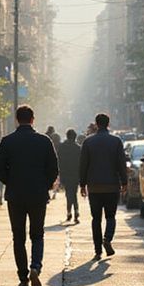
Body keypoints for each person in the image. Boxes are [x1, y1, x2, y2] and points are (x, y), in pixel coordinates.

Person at [0, 105, 59, 286]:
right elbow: (53, 168)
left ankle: (23, 278)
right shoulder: (44, 141)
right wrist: (45, 185)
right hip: (38, 195)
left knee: (18, 237)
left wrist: (10, 181)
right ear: (33, 119)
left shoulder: (7, 141)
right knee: (37, 234)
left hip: (15, 195)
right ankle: (35, 267)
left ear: (16, 119)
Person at [79, 112, 127, 261]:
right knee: (111, 216)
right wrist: (124, 182)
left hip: (94, 186)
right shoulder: (116, 141)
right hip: (112, 185)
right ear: (108, 124)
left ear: (96, 124)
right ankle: (108, 239)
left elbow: (83, 165)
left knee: (96, 219)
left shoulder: (88, 142)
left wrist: (82, 184)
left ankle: (98, 250)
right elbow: (121, 164)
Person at [57, 129, 83, 223]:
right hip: (75, 174)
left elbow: (59, 161)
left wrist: (59, 174)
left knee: (69, 194)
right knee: (73, 193)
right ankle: (75, 211)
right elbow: (82, 163)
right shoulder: (78, 148)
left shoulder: (62, 147)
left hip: (65, 174)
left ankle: (70, 212)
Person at [45, 126, 62, 199]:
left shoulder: (46, 138)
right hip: (57, 162)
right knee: (56, 178)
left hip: (47, 163)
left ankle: (50, 192)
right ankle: (54, 192)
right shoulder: (59, 144)